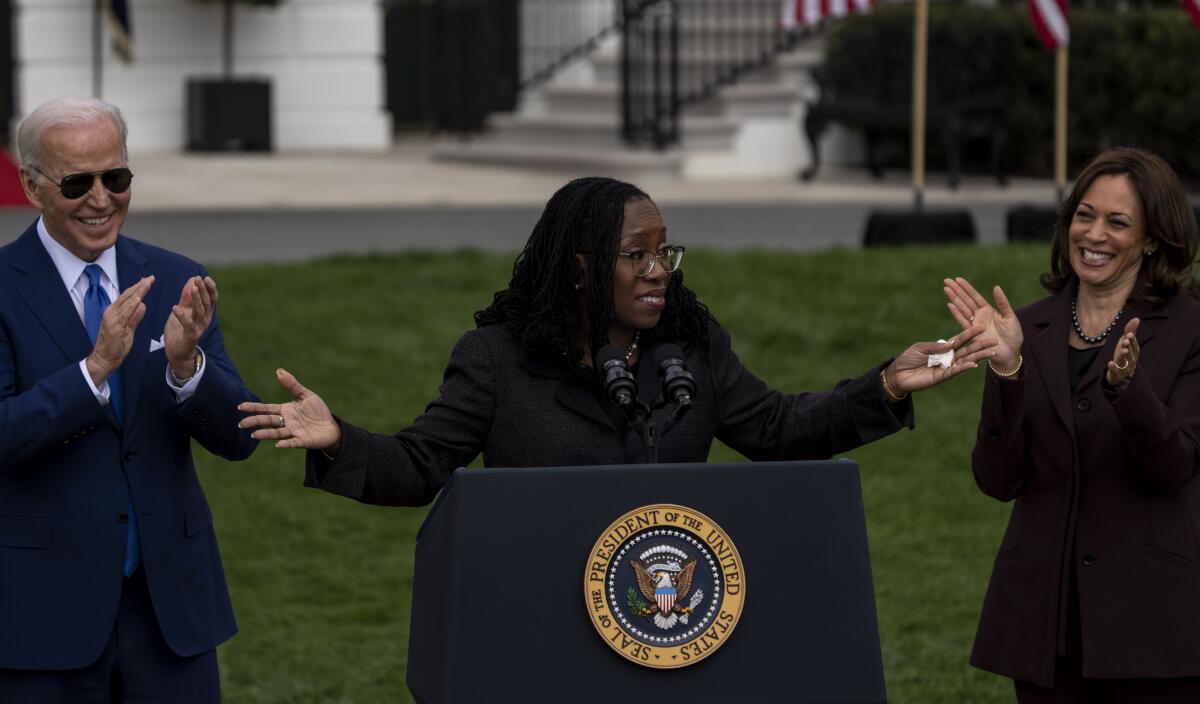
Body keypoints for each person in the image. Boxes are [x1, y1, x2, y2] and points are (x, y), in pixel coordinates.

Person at [240, 176, 993, 506]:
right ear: (582, 268)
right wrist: (339, 441)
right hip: (541, 620)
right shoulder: (499, 360)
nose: (659, 271)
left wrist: (886, 385)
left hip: (673, 614)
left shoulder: (690, 346)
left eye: (665, 252)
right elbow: (422, 465)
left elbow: (775, 430)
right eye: (637, 254)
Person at [0, 97, 258, 702]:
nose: (100, 199)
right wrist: (94, 371)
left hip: (169, 612)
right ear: (31, 186)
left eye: (115, 178)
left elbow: (240, 437)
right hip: (41, 611)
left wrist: (186, 365)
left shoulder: (175, 277)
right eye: (77, 182)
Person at [944, 147, 1200, 702]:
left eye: (1118, 221)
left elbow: (1173, 465)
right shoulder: (1027, 327)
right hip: (1046, 622)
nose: (1095, 234)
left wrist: (1130, 391)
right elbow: (998, 480)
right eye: (1084, 215)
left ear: (1153, 236)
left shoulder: (1190, 328)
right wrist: (1008, 371)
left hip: (1153, 625)